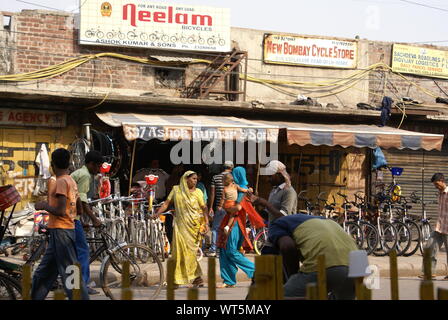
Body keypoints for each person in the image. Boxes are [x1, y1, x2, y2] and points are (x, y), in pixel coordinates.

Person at [247, 192, 357, 300]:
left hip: (324, 266)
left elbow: (287, 247)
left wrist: (292, 277)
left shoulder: (279, 224)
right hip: (355, 268)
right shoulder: (327, 222)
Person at [32, 148, 89, 300]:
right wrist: (78, 217)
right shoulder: (70, 180)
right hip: (61, 230)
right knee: (44, 272)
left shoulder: (61, 181)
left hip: (61, 231)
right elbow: (79, 206)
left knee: (70, 272)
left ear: (52, 164)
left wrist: (43, 205)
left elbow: (60, 210)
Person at [155, 171, 209, 288]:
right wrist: (157, 213)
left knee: (190, 254)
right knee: (178, 253)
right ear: (186, 179)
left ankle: (196, 278)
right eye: (193, 179)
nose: (195, 181)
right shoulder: (176, 190)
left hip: (194, 227)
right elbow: (166, 204)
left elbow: (204, 207)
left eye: (196, 179)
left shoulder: (199, 192)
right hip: (180, 226)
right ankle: (178, 280)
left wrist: (207, 222)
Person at [216, 171, 265, 288]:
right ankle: (228, 280)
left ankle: (257, 271)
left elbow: (237, 208)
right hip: (230, 220)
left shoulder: (242, 190)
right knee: (224, 250)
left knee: (231, 251)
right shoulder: (236, 188)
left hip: (236, 222)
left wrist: (226, 208)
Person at [70, 150, 104, 295]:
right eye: (97, 166)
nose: (98, 170)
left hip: (71, 217)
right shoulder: (84, 175)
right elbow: (83, 202)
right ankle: (81, 285)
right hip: (71, 219)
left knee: (70, 253)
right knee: (83, 251)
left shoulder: (79, 173)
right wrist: (94, 219)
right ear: (91, 164)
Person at [257, 160, 298, 255]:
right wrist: (256, 203)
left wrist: (265, 203)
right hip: (271, 239)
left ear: (279, 175)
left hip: (284, 240)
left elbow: (284, 217)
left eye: (270, 176)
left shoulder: (289, 192)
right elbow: (268, 215)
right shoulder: (274, 191)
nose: (268, 180)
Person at [420, 173, 448, 279]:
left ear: (442, 180)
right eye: (434, 184)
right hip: (439, 227)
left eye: (437, 183)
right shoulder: (440, 194)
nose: (436, 186)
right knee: (430, 247)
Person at [208, 161, 234, 257]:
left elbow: (212, 194)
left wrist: (210, 207)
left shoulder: (215, 177)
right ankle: (222, 249)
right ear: (231, 168)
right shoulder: (233, 178)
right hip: (231, 207)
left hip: (220, 207)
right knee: (227, 228)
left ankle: (214, 249)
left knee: (215, 228)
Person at [164, 164, 184, 245]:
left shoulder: (170, 178)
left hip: (171, 204)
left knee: (170, 225)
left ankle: (171, 242)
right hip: (175, 204)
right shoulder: (177, 179)